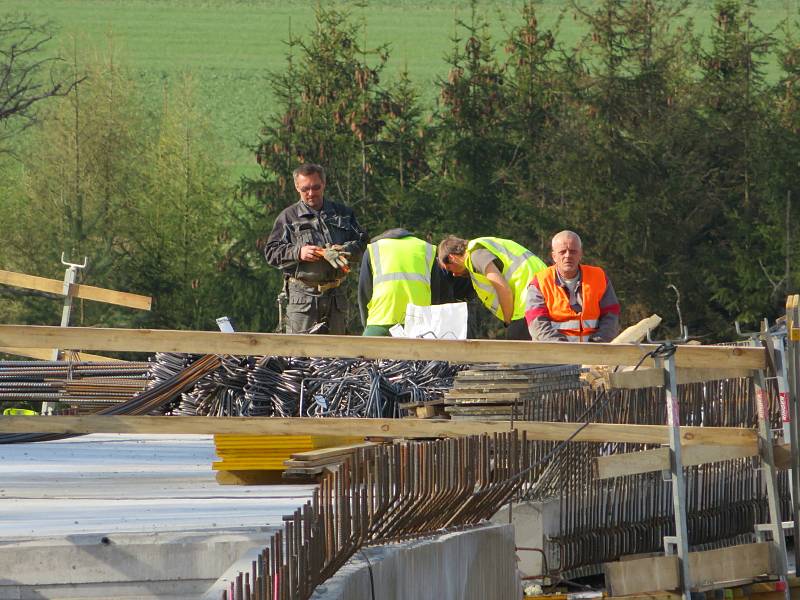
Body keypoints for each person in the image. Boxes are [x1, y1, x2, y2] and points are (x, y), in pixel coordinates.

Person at [264, 163, 368, 334]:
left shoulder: (343, 214)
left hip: (336, 298)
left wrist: (345, 250)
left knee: (337, 354)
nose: (311, 193)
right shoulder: (288, 217)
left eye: (316, 187)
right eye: (305, 189)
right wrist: (299, 252)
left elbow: (364, 244)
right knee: (299, 355)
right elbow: (271, 252)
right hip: (303, 299)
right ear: (297, 187)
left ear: (324, 184)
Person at [437, 236, 547, 340]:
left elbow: (503, 289)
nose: (454, 275)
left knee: (518, 354)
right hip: (542, 294)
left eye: (450, 269)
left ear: (452, 257)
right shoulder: (479, 250)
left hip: (527, 303)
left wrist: (508, 321)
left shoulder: (476, 255)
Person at [525, 230, 620, 342]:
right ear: (554, 256)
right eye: (562, 252)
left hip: (594, 352)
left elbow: (611, 316)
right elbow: (537, 324)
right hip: (553, 354)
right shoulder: (540, 283)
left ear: (580, 254)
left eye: (573, 251)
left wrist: (597, 345)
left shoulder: (599, 277)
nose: (568, 256)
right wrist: (565, 350)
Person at [358, 229, 449, 336]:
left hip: (381, 322)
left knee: (365, 351)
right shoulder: (427, 249)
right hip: (420, 323)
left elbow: (364, 293)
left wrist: (367, 325)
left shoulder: (373, 249)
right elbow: (436, 293)